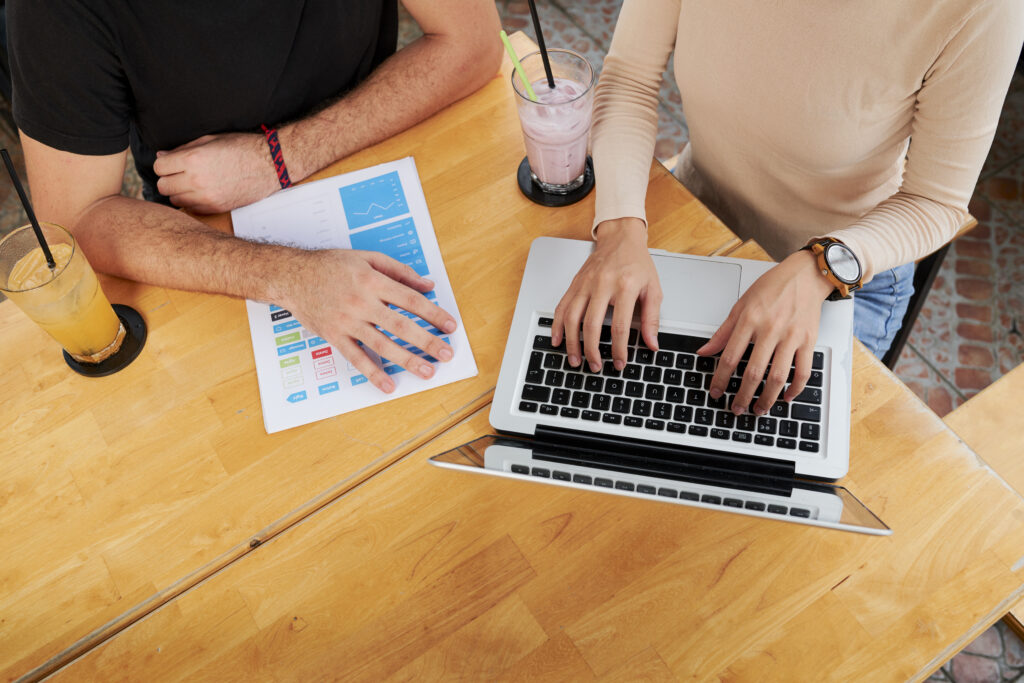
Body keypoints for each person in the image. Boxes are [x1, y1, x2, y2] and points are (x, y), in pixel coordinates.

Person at [553, 0, 1023, 418]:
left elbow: (934, 202)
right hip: (698, 211)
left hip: (843, 276)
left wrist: (821, 266)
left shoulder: (985, 10)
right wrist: (618, 228)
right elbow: (630, 77)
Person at [7, 0, 502, 393]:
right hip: (210, 235)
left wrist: (279, 158)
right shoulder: (54, 11)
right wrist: (290, 276)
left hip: (385, 145)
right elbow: (73, 223)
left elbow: (474, 43)